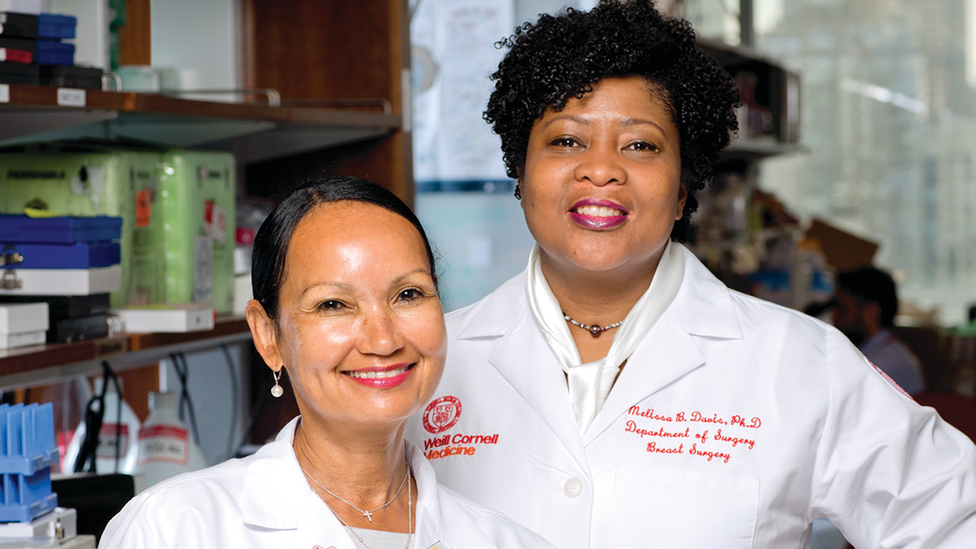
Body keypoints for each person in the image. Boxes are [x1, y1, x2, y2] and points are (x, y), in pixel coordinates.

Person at [404, 2, 976, 548]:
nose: (601, 170)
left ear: (681, 191)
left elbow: (955, 520)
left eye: (640, 145)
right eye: (567, 140)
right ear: (521, 176)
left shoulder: (799, 363)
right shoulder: (428, 360)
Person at [99, 177, 556, 549]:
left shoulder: (504, 541)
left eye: (409, 294)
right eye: (334, 304)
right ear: (268, 335)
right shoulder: (177, 528)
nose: (383, 339)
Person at [832, 265, 926, 395]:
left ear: (870, 313)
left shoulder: (882, 365)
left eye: (842, 309)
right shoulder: (881, 351)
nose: (834, 316)